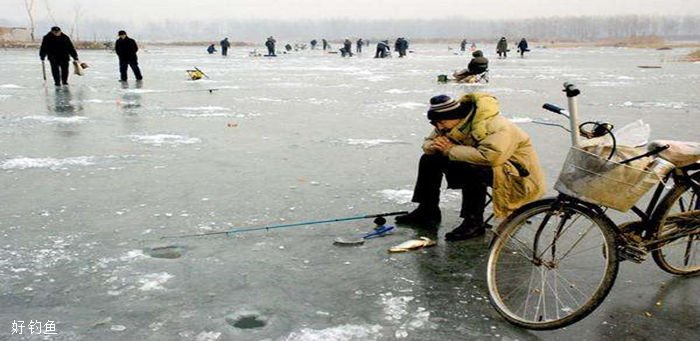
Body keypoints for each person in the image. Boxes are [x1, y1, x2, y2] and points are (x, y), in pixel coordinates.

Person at [395, 93, 546, 241]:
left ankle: (473, 222)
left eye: (441, 122)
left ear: (457, 116)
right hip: (487, 165)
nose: (438, 126)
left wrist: (449, 150)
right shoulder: (447, 124)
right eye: (435, 123)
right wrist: (435, 146)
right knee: (430, 159)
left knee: (471, 170)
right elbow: (428, 142)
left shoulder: (496, 125)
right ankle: (427, 210)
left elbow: (491, 157)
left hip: (516, 174)